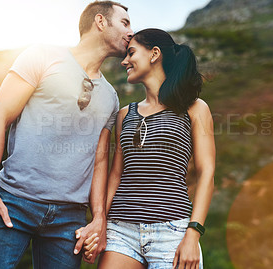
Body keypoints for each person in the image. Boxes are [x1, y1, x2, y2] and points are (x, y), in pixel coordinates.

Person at [0, 1, 133, 268]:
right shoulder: (42, 56)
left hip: (69, 220)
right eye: (124, 23)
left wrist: (99, 217)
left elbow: (100, 159)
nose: (131, 32)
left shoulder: (111, 97)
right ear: (100, 22)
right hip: (12, 203)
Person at [83, 28, 215, 269]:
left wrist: (193, 234)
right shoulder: (125, 114)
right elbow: (116, 175)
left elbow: (206, 173)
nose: (124, 61)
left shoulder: (194, 108)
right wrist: (100, 223)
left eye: (131, 52)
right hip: (121, 230)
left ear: (154, 54)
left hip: (172, 231)